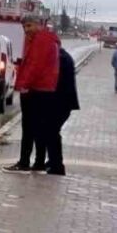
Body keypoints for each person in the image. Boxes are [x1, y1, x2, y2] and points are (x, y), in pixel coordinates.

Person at [3, 16, 60, 173]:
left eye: (29, 25)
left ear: (39, 24)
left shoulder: (40, 40)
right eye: (24, 27)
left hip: (36, 90)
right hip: (45, 89)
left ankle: (24, 162)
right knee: (39, 128)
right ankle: (39, 162)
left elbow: (34, 65)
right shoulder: (48, 40)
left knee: (28, 128)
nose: (26, 30)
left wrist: (23, 85)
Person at [39, 45, 80, 175]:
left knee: (51, 132)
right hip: (62, 103)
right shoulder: (63, 56)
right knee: (51, 132)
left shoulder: (60, 59)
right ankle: (53, 161)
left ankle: (56, 165)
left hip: (59, 103)